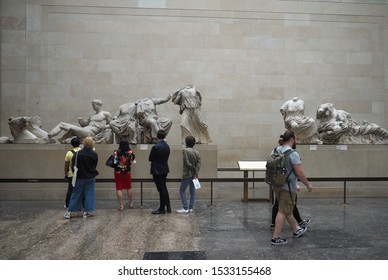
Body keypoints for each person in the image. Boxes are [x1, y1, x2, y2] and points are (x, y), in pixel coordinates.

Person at [270, 130, 313, 245]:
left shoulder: (275, 150)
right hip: (287, 187)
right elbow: (299, 173)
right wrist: (307, 184)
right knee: (283, 210)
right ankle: (275, 237)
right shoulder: (293, 153)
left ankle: (296, 230)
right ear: (292, 140)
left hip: (276, 184)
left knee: (287, 208)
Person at [64, 137, 99, 219]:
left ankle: (69, 212)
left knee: (75, 194)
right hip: (90, 176)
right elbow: (94, 165)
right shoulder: (94, 154)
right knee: (89, 194)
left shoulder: (77, 154)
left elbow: (73, 165)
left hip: (79, 177)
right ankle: (86, 212)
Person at [48, 99, 112, 143]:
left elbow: (111, 124)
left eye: (93, 105)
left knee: (73, 128)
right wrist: (81, 121)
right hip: (84, 130)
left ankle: (62, 139)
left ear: (99, 105)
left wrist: (105, 126)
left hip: (91, 133)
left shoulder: (105, 114)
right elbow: (84, 125)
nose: (93, 107)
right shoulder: (92, 116)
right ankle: (49, 135)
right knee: (62, 124)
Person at [148, 130, 171, 214]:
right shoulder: (167, 146)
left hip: (157, 170)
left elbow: (150, 158)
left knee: (161, 189)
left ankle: (162, 208)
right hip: (164, 169)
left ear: (157, 136)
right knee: (164, 188)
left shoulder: (156, 147)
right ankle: (168, 206)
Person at [177, 136, 201, 214]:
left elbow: (187, 163)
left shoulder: (185, 150)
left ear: (186, 142)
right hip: (194, 175)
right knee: (192, 191)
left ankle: (185, 207)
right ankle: (191, 207)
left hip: (187, 174)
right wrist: (196, 172)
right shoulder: (196, 151)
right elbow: (199, 164)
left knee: (182, 190)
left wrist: (193, 169)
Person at [112, 140, 136, 211]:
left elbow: (114, 162)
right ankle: (131, 203)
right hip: (127, 172)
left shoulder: (116, 153)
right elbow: (132, 162)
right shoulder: (130, 153)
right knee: (129, 187)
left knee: (119, 188)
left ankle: (121, 206)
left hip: (118, 172)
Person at [64, 137, 82, 209]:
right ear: (79, 144)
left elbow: (66, 165)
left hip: (72, 174)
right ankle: (82, 204)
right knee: (81, 190)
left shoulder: (69, 153)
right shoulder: (82, 151)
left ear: (72, 144)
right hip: (81, 174)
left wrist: (66, 174)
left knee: (71, 190)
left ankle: (68, 204)